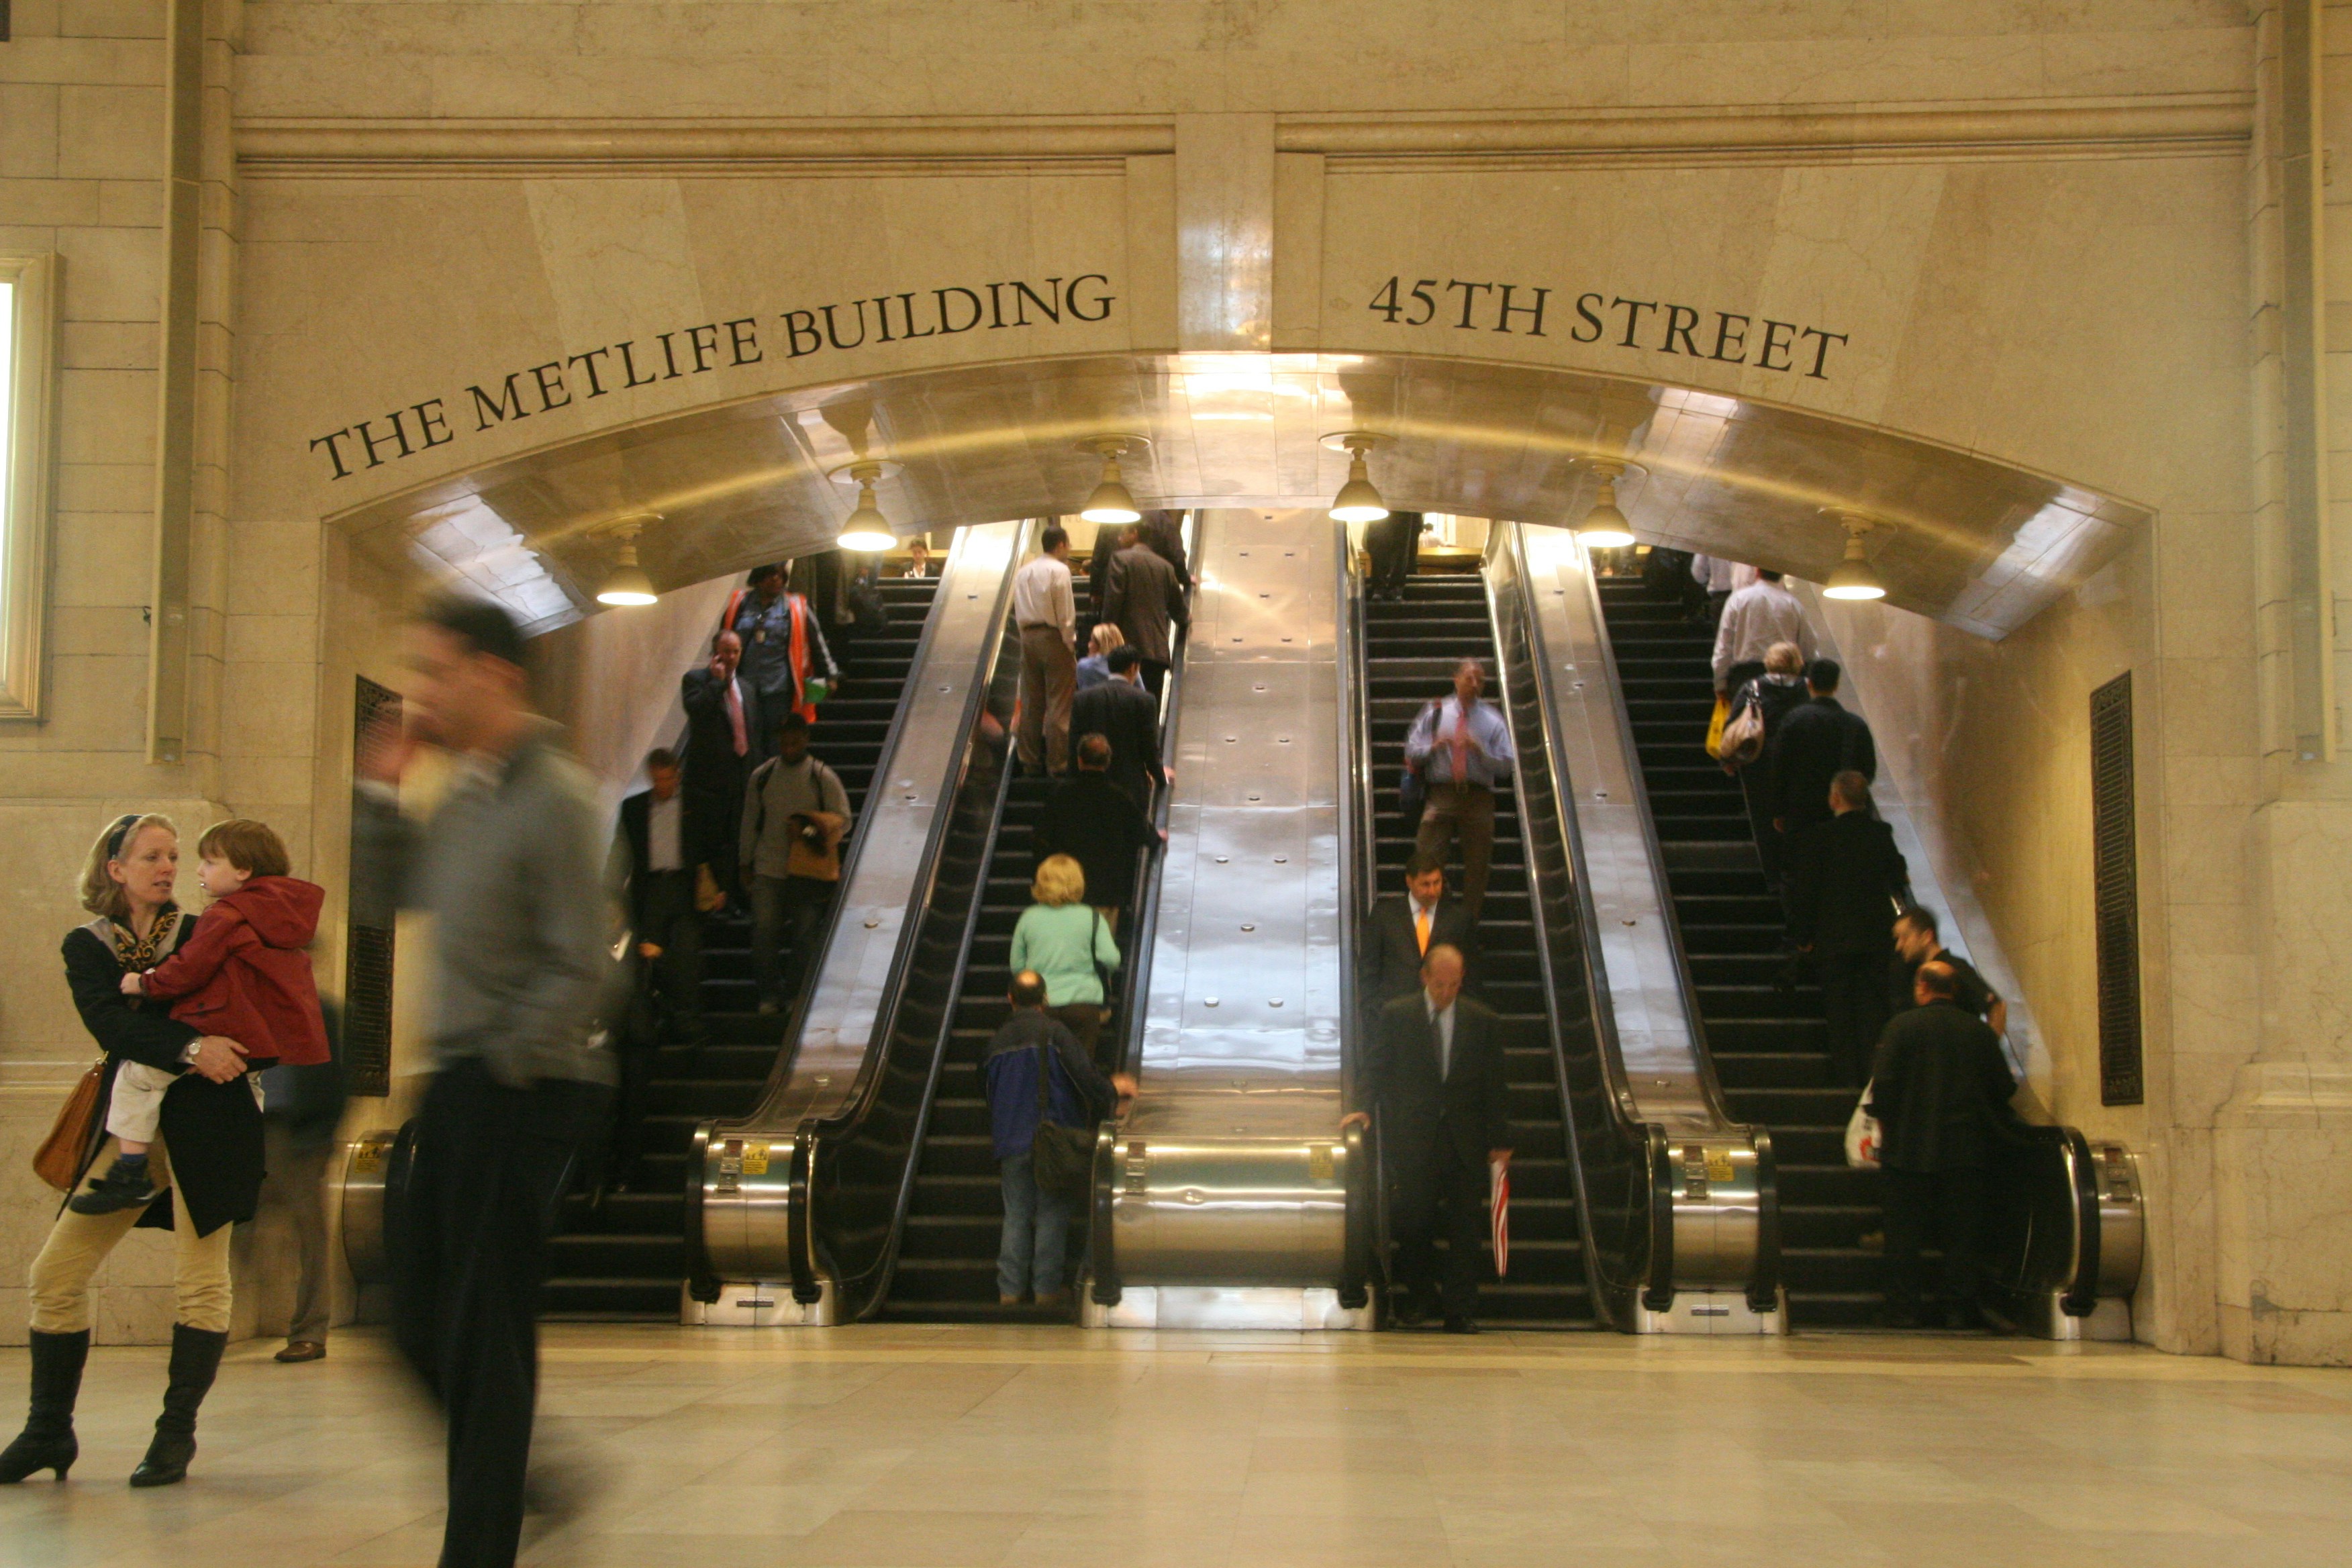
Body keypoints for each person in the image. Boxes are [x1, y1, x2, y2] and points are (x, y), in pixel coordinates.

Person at [354, 595, 614, 1568]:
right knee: (414, 1321)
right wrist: (380, 791)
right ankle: (528, 1481)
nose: (420, 692)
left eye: (435, 670)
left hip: (524, 1085)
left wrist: (507, 1064)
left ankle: (479, 1544)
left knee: (483, 1326)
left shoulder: (556, 794)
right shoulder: (467, 791)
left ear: (493, 674)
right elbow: (392, 894)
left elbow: (581, 961)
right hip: (458, 1080)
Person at [3, 814, 262, 1488]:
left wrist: (209, 1043)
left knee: (201, 1280)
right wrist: (191, 1045)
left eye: (174, 855)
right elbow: (109, 1023)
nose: (167, 866)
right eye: (151, 856)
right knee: (55, 1274)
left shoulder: (207, 931)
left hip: (211, 1124)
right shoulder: (87, 944)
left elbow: (249, 1015)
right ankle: (47, 1430)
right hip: (128, 1132)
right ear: (115, 868)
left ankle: (175, 1434)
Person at [88, 820, 327, 1217]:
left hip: (221, 1029)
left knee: (135, 1078)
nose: (187, 869)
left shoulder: (224, 916)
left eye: (207, 862)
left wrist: (145, 983)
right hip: (260, 1035)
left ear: (243, 870)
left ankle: (130, 1170)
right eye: (154, 857)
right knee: (250, 1087)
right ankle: (248, 1161)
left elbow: (189, 969)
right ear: (116, 870)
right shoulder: (279, 914)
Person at [1343, 944, 1508, 1333]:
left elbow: (1495, 1084)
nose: (1446, 993)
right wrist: (1362, 1106)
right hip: (1414, 1136)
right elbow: (1377, 1065)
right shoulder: (1397, 1015)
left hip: (1466, 1141)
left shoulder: (1482, 1020)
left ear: (1462, 980)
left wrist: (1500, 1139)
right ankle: (1420, 1297)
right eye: (1439, 985)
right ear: (1424, 978)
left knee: (1465, 1230)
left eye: (1454, 985)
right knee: (1414, 1224)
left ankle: (1459, 1310)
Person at [1866, 961, 2020, 1330]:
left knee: (1903, 1236)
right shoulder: (1979, 1033)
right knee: (1962, 1236)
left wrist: (1886, 1126)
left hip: (1907, 1148)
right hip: (1966, 1150)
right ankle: (1958, 1309)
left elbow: (1883, 1086)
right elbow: (2004, 1088)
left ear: (1922, 987)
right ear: (1955, 991)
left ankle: (1903, 1309)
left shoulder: (1901, 1027)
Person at [981, 970, 1134, 1308]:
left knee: (1016, 1215)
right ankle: (1046, 1291)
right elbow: (1084, 1075)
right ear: (1045, 999)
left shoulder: (996, 1042)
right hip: (1051, 1138)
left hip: (1010, 1141)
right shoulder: (1054, 1033)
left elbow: (988, 1093)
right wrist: (1112, 1092)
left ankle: (1009, 1292)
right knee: (1051, 1214)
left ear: (1010, 999)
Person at [1786, 771, 1909, 1087]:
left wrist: (1803, 937)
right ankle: (1872, 1078)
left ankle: (1846, 1079)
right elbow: (1898, 877)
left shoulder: (1818, 838)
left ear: (1835, 798)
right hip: (1876, 939)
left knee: (1840, 1011)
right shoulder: (1880, 834)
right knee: (1874, 1010)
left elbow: (1807, 891)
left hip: (1834, 940)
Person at [740, 713, 852, 1015]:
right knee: (764, 932)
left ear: (806, 740)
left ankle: (795, 994)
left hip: (808, 871)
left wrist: (807, 830)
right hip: (769, 868)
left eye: (795, 742)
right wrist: (745, 863)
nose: (789, 748)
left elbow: (843, 821)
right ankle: (769, 993)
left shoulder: (821, 776)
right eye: (785, 742)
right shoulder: (762, 777)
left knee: (804, 935)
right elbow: (750, 822)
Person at [255, 995, 346, 1364]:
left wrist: (321, 1136)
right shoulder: (246, 998)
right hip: (253, 1125)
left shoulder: (317, 1009)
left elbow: (333, 1079)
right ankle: (209, 1325)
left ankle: (310, 1331)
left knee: (309, 1231)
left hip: (299, 1133)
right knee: (235, 1225)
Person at [1404, 657, 1516, 922]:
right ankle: (1431, 917)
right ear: (1456, 680)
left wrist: (1481, 751)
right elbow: (1411, 750)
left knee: (1478, 864)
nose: (1475, 684)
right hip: (1442, 794)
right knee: (1427, 858)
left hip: (1478, 797)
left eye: (1481, 680)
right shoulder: (1436, 713)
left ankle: (1468, 923)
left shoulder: (1492, 720)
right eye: (1469, 678)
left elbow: (1506, 766)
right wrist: (1433, 747)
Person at [1032, 733, 1160, 931]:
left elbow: (1040, 838)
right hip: (1105, 892)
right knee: (1100, 945)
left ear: (1079, 760)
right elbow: (1142, 832)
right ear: (1107, 762)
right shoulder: (1117, 797)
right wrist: (1157, 836)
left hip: (1066, 890)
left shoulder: (1061, 795)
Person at [1009, 854, 1124, 1065]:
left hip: (1042, 1006)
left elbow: (1017, 966)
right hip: (1084, 1005)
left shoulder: (1029, 918)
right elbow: (1111, 958)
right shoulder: (1091, 916)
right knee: (1080, 1067)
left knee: (1043, 1067)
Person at [1726, 641, 1810, 889]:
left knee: (1763, 819)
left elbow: (1735, 723)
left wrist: (1728, 759)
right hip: (1798, 764)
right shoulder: (1807, 688)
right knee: (1797, 817)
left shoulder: (1752, 687)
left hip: (1760, 763)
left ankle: (1773, 876)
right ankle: (1796, 871)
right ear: (1797, 662)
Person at [1767, 658, 1877, 844]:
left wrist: (1778, 810)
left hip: (1801, 810)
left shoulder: (1794, 720)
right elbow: (1868, 770)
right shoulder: (1855, 725)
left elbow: (1779, 767)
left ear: (1809, 684)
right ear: (1836, 685)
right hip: (1842, 812)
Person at [680, 628, 758, 891]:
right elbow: (696, 711)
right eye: (726, 651)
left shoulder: (747, 688)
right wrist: (717, 682)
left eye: (736, 651)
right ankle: (716, 898)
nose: (732, 657)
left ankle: (734, 896)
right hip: (709, 784)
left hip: (740, 779)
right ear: (715, 653)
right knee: (713, 845)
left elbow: (753, 733)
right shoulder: (695, 680)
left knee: (738, 842)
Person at [731, 562, 838, 732]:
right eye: (770, 574)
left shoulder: (796, 605)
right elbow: (724, 638)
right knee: (748, 736)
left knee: (777, 735)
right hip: (744, 686)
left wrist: (829, 676)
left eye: (780, 575)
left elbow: (817, 643)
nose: (775, 579)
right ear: (758, 578)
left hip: (780, 687)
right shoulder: (740, 603)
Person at [1361, 850, 1475, 1010]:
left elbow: (1470, 973)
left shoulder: (1459, 919)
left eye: (1437, 883)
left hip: (1443, 1010)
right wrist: (1372, 1012)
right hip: (1394, 1013)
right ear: (1409, 881)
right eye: (1425, 884)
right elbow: (1369, 969)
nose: (1432, 891)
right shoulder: (1384, 916)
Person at [1014, 524, 1079, 776]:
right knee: (1059, 704)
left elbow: (1018, 608)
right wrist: (1069, 642)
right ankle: (1057, 764)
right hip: (1053, 637)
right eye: (1068, 544)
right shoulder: (1060, 570)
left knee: (1031, 702)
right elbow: (1065, 613)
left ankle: (1029, 761)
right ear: (1061, 544)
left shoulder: (1023, 572)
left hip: (1028, 636)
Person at [1070, 646, 1165, 812]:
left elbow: (1074, 744)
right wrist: (1161, 777)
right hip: (1130, 787)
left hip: (1092, 787)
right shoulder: (1145, 700)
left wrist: (1073, 782)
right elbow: (1149, 747)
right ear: (1133, 667)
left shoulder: (1083, 698)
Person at [1890, 908, 2006, 1036]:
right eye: (1898, 939)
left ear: (1927, 936)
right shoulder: (1913, 975)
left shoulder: (1955, 967)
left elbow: (1996, 1007)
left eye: (1905, 937)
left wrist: (1987, 1046)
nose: (1899, 946)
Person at [1102, 526, 1189, 696]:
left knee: (1124, 703)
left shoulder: (1120, 559)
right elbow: (1179, 609)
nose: (1119, 539)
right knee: (1151, 705)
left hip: (1126, 652)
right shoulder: (1166, 567)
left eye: (1122, 534)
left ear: (1135, 533)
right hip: (1157, 653)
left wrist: (1105, 638)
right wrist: (1186, 618)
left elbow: (1112, 604)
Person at [1711, 567, 1814, 698]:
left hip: (1745, 677)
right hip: (1786, 677)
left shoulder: (1738, 599)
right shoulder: (1793, 603)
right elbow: (1808, 646)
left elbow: (1724, 647)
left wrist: (1720, 683)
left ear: (1757, 571)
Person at [1363, 510, 1424, 600]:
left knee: (1382, 547)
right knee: (1400, 549)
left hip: (1390, 509)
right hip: (1403, 510)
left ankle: (1381, 588)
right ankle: (1394, 589)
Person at [1076, 622, 1124, 691]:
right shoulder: (1129, 666)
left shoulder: (1085, 666)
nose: (1089, 645)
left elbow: (1082, 692)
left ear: (1101, 644)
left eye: (1092, 640)